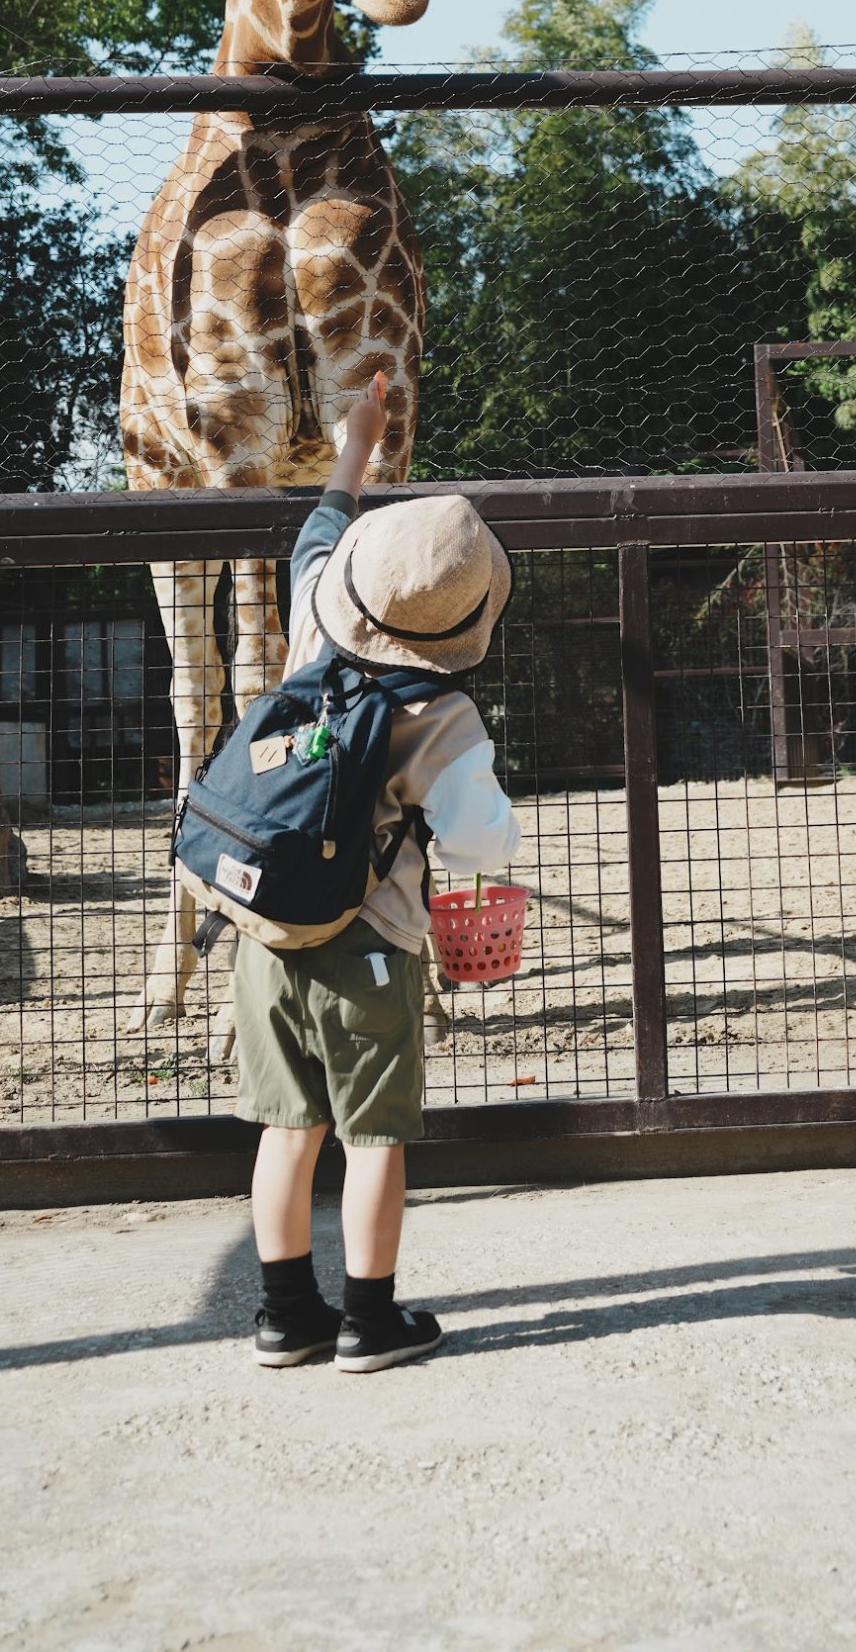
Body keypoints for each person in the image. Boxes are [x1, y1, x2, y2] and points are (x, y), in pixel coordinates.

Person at [236, 371, 521, 1368]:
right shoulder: (442, 716)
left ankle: (283, 1316)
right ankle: (368, 1318)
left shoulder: (312, 627)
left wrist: (356, 443)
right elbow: (481, 843)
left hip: (265, 929)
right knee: (373, 1137)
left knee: (287, 1128)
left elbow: (319, 530)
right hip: (370, 945)